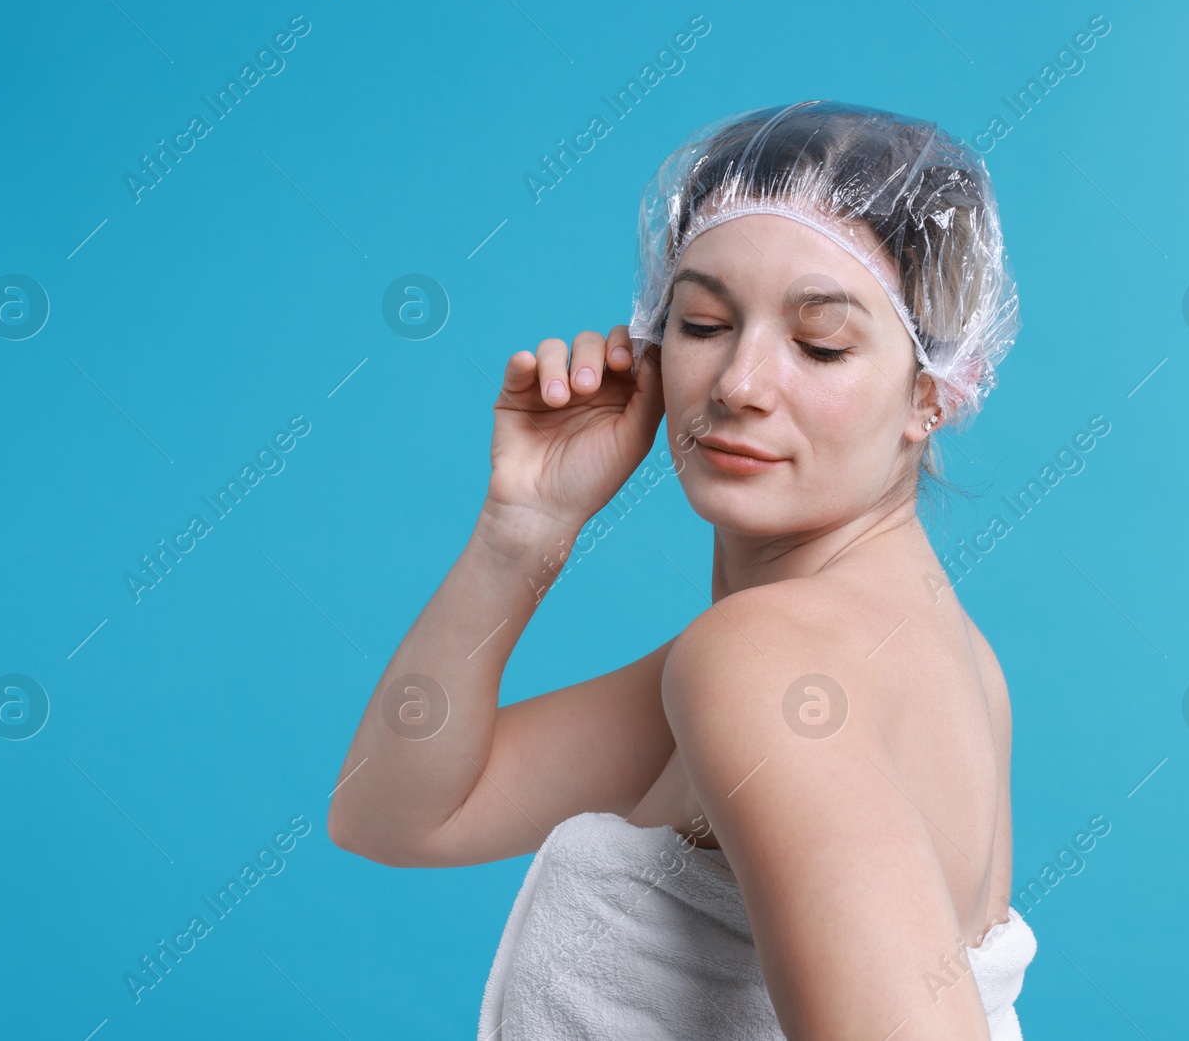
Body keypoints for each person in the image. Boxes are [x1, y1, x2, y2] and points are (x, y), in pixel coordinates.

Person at [328, 100, 1033, 1039]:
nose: (740, 383)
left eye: (819, 343)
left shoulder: (766, 658)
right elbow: (397, 811)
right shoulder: (902, 652)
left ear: (933, 390)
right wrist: (523, 528)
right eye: (703, 322)